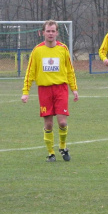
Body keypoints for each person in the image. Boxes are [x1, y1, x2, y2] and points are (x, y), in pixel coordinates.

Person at [21, 20, 79, 162]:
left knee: (62, 123)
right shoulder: (37, 50)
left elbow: (70, 70)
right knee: (48, 124)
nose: (51, 33)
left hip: (61, 89)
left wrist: (74, 89)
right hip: (44, 90)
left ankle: (63, 147)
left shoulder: (63, 49)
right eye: (48, 31)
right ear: (43, 33)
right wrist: (25, 91)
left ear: (57, 33)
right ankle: (51, 153)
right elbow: (30, 72)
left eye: (53, 31)